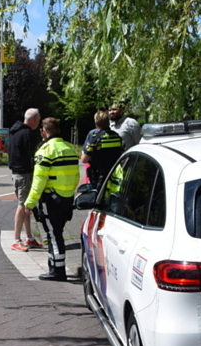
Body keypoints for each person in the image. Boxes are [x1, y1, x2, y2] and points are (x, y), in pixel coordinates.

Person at [24, 118, 80, 281]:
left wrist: (30, 202)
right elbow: (76, 176)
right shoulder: (70, 148)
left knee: (53, 235)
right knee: (57, 232)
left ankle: (58, 271)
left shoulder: (45, 151)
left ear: (43, 131)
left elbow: (38, 181)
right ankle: (54, 266)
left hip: (51, 200)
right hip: (66, 199)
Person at [6, 108, 43, 252]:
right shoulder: (28, 133)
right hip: (25, 173)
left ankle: (30, 237)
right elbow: (33, 154)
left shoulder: (14, 131)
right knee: (22, 205)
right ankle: (16, 239)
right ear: (33, 120)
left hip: (16, 172)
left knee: (27, 205)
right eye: (38, 121)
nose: (38, 124)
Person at [80, 110, 123, 190]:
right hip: (114, 174)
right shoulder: (116, 136)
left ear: (96, 123)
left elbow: (84, 159)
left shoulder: (94, 136)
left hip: (98, 175)